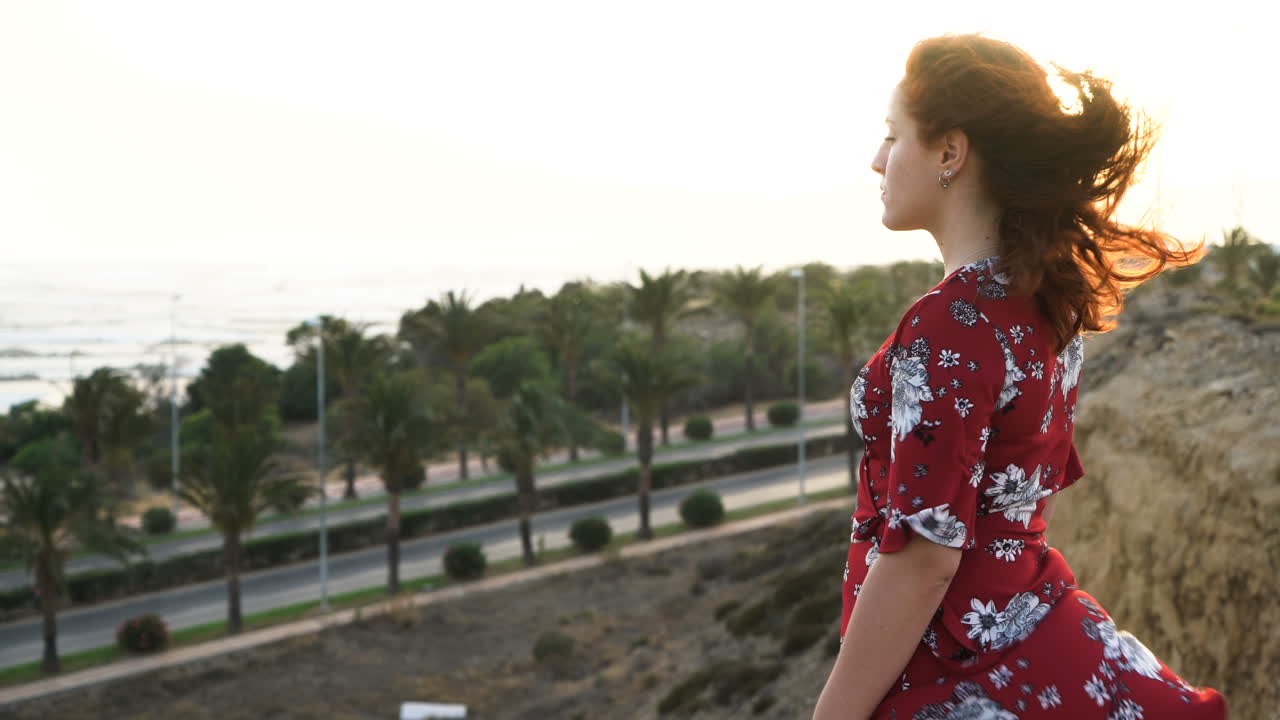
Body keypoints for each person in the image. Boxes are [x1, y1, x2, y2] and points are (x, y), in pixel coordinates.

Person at [812, 34, 1228, 719]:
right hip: (1039, 642)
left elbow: (923, 559)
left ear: (950, 152)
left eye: (893, 136)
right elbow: (1026, 503)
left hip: (950, 668)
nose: (877, 159)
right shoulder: (1041, 304)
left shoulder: (948, 325)